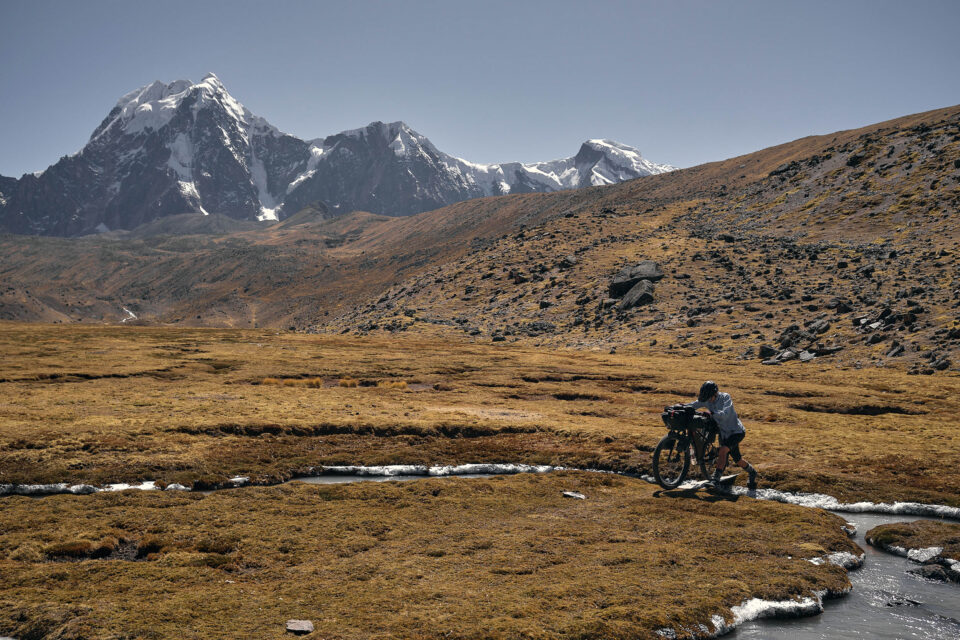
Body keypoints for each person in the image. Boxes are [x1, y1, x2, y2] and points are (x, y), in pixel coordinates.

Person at [688, 381, 758, 490]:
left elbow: (725, 413)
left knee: (723, 450)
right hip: (724, 433)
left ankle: (715, 480)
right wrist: (678, 407)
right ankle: (752, 472)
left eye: (709, 398)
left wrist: (712, 413)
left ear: (715, 394)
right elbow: (694, 404)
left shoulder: (725, 397)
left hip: (736, 432)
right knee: (738, 460)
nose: (708, 401)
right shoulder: (707, 399)